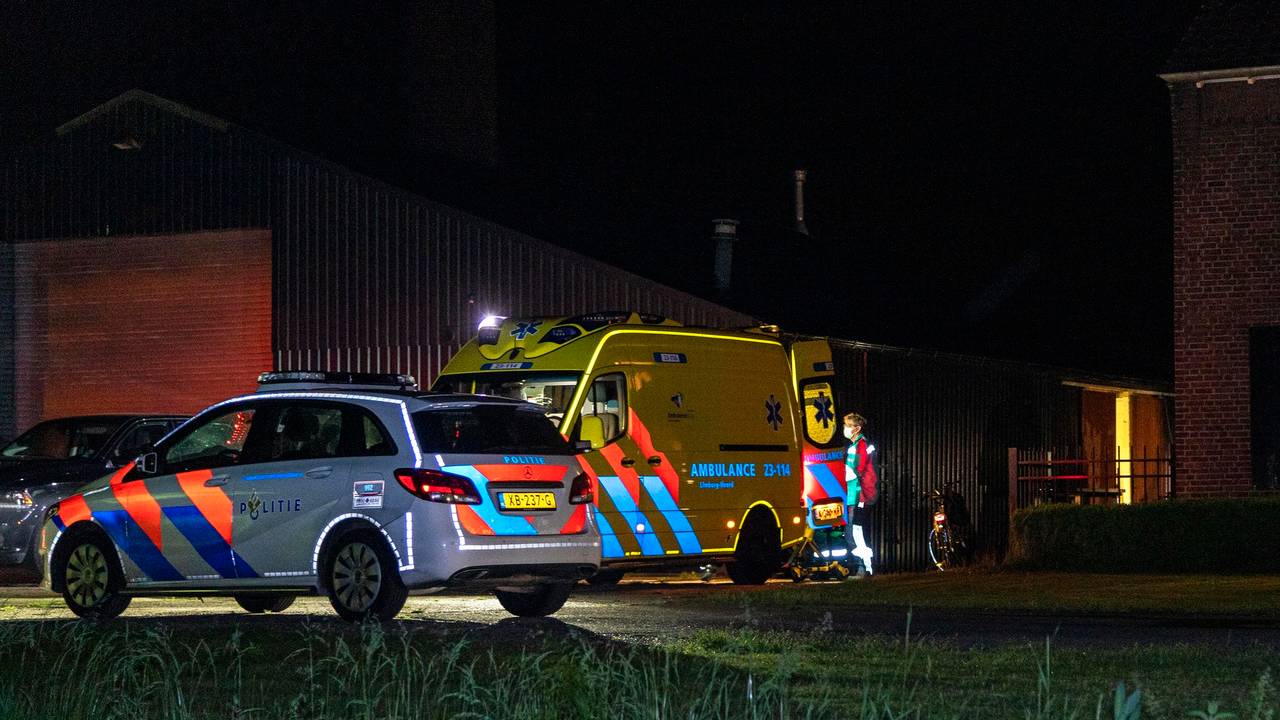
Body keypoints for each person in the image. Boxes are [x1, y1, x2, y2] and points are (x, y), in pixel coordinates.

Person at [843, 412, 878, 577]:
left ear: (856, 428)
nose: (845, 429)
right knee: (854, 531)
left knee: (856, 532)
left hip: (860, 494)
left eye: (848, 426)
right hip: (855, 494)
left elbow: (855, 471)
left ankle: (865, 568)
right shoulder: (856, 445)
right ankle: (862, 568)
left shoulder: (860, 445)